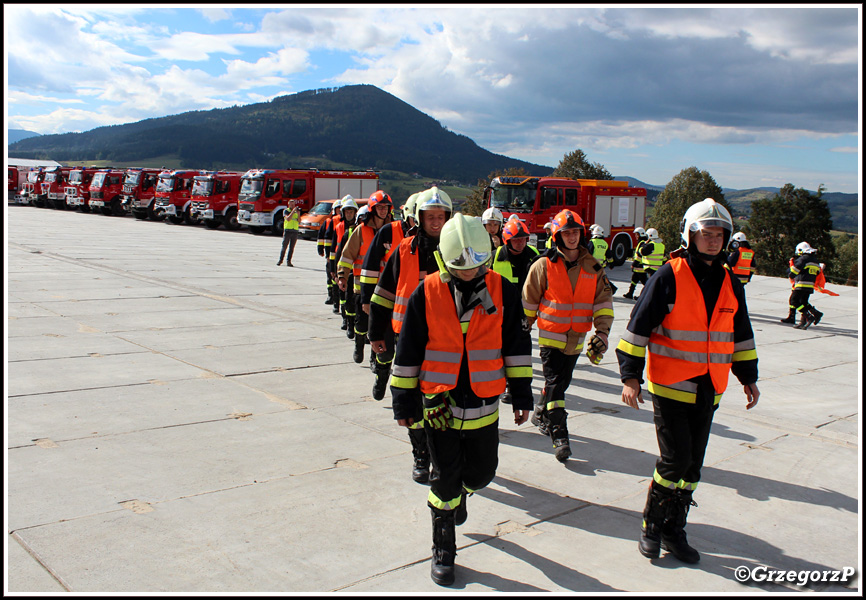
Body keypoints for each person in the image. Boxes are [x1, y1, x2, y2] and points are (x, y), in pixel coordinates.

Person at [390, 213, 533, 586]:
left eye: (477, 267)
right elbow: (408, 351)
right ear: (445, 261)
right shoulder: (428, 291)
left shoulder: (503, 290)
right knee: (445, 481)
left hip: (485, 405)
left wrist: (522, 394)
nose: (471, 274)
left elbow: (516, 347)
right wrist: (405, 403)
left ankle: (463, 493)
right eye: (462, 268)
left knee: (482, 474)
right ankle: (443, 549)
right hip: (440, 407)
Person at [616, 198, 759, 565]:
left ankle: (674, 529)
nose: (713, 241)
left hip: (711, 387)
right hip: (672, 386)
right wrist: (631, 377)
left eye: (719, 235)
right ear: (690, 236)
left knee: (693, 465)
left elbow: (740, 333)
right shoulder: (669, 275)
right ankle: (651, 524)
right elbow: (637, 329)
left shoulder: (730, 280)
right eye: (706, 234)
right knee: (675, 459)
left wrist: (748, 377)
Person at [369, 187, 452, 484]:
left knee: (444, 404)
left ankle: (445, 459)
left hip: (447, 342)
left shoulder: (457, 250)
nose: (435, 222)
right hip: (408, 340)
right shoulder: (403, 249)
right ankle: (421, 454)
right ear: (419, 218)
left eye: (440, 216)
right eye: (430, 216)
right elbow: (383, 293)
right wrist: (375, 332)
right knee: (412, 403)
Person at [522, 209, 614, 462]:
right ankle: (560, 435)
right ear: (557, 235)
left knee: (560, 384)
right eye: (566, 233)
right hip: (551, 337)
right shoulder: (543, 265)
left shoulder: (593, 266)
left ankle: (541, 412)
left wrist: (603, 333)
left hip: (577, 340)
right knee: (555, 386)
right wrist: (523, 327)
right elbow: (529, 300)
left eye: (575, 232)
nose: (572, 237)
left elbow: (603, 302)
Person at [338, 191, 393, 364]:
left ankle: (374, 358)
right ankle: (359, 344)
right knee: (361, 324)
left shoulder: (394, 230)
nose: (383, 210)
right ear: (372, 209)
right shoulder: (361, 231)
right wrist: (341, 276)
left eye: (386, 207)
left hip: (385, 289)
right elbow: (347, 255)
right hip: (362, 287)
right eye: (379, 207)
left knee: (378, 328)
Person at [331, 197, 359, 332]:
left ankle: (352, 322)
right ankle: (345, 319)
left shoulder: (359, 229)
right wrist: (335, 270)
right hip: (343, 267)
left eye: (351, 212)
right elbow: (335, 251)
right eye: (347, 212)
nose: (349, 214)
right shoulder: (339, 228)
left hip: (356, 269)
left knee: (353, 299)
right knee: (344, 297)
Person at [782, 241, 823, 329]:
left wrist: (790, 273)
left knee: (794, 301)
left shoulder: (803, 259)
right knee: (803, 302)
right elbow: (818, 272)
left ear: (801, 250)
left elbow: (794, 272)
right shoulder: (815, 261)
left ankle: (809, 316)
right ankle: (814, 315)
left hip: (801, 284)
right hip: (810, 285)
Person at [318, 198, 343, 305]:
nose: (340, 211)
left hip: (341, 254)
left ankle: (337, 298)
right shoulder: (329, 222)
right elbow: (323, 237)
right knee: (330, 276)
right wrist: (323, 251)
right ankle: (331, 295)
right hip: (332, 253)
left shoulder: (347, 221)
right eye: (338, 209)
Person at [589, 225, 617, 295]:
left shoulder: (592, 242)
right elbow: (609, 255)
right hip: (602, 266)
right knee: (601, 278)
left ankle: (611, 289)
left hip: (593, 265)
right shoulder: (605, 243)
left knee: (593, 279)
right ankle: (611, 288)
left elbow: (588, 254)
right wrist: (611, 264)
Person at [623, 227, 649, 299]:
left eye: (637, 235)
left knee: (646, 283)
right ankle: (630, 293)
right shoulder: (641, 242)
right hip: (638, 268)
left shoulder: (642, 243)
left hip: (640, 267)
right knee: (634, 280)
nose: (636, 236)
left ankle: (643, 297)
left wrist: (633, 264)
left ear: (640, 234)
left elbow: (639, 256)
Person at [276, 199, 300, 267]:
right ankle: (280, 260)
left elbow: (299, 220)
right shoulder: (286, 211)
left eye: (294, 204)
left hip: (294, 230)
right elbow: (288, 219)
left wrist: (298, 214)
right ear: (288, 204)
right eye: (291, 204)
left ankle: (289, 261)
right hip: (288, 230)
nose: (293, 206)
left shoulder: (296, 212)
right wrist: (293, 211)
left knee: (291, 248)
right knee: (284, 246)